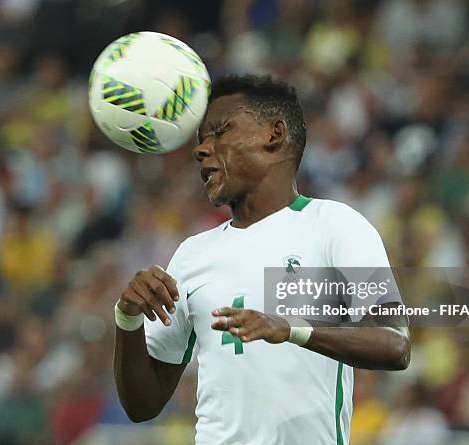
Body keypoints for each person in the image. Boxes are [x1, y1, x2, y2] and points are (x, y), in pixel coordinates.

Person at [113, 74, 410, 445]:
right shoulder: (192, 254)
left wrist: (289, 329)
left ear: (274, 134)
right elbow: (143, 405)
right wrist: (127, 319)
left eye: (219, 132)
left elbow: (395, 344)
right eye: (201, 140)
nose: (201, 150)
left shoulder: (334, 225)